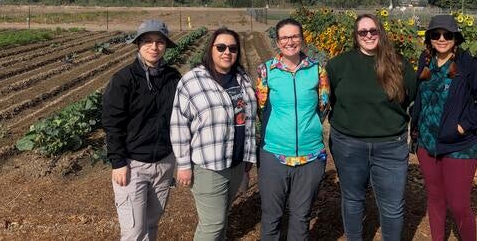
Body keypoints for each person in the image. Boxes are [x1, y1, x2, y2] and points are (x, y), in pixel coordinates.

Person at [326, 13, 417, 241]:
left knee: (392, 205)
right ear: (355, 36)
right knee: (353, 199)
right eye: (362, 32)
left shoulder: (399, 64)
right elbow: (333, 99)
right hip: (348, 144)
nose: (368, 35)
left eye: (373, 31)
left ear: (380, 33)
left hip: (390, 146)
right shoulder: (338, 65)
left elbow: (412, 96)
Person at [410, 15, 477, 241]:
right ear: (429, 38)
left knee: (459, 205)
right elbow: (419, 96)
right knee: (435, 199)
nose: (442, 39)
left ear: (455, 38)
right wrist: (414, 126)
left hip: (459, 146)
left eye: (448, 34)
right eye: (436, 34)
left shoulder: (468, 65)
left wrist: (463, 126)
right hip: (427, 144)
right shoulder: (425, 60)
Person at [170, 28, 257, 241]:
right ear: (210, 49)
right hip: (208, 165)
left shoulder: (242, 78)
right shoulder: (193, 81)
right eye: (221, 47)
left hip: (236, 163)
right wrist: (183, 164)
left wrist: (248, 155)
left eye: (233, 48)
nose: (227, 52)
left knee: (221, 219)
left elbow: (249, 120)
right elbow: (179, 124)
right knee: (213, 224)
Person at [102, 19, 181, 241]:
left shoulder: (173, 77)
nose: (153, 47)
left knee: (151, 224)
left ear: (166, 46)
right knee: (134, 231)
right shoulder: (124, 79)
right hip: (133, 164)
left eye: (159, 42)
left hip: (164, 162)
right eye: (147, 41)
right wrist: (118, 162)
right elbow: (112, 123)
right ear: (138, 44)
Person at [255, 18, 330, 241]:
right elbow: (261, 108)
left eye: (295, 36)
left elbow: (323, 107)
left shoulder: (318, 70)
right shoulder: (266, 71)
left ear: (302, 39)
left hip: (310, 156)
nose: (290, 41)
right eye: (284, 37)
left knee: (301, 217)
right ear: (277, 42)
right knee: (271, 218)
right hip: (274, 155)